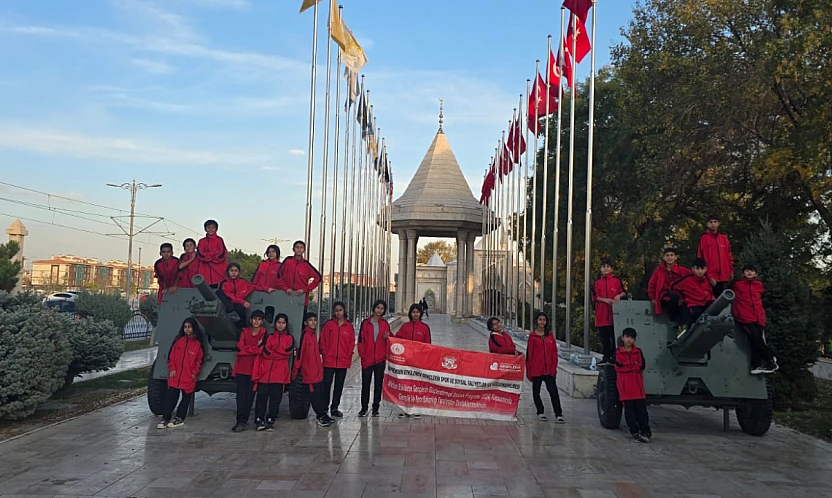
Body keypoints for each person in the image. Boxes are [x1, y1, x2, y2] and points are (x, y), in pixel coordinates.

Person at [731, 264, 778, 374]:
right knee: (756, 337)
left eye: (752, 271)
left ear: (755, 274)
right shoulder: (737, 285)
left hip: (758, 317)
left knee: (755, 341)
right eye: (747, 271)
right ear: (743, 273)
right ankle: (769, 356)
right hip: (745, 317)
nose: (749, 273)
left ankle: (756, 365)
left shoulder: (759, 285)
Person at [158, 317, 204, 429]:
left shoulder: (197, 344)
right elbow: (171, 357)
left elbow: (199, 360)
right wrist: (172, 369)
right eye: (185, 327)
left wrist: (194, 373)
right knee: (171, 398)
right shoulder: (178, 341)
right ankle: (166, 418)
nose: (187, 329)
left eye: (189, 327)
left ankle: (180, 418)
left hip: (188, 376)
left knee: (185, 399)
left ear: (193, 328)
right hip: (176, 375)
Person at [252, 313, 294, 431]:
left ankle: (271, 418)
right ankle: (259, 418)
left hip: (280, 373)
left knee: (276, 397)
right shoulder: (269, 337)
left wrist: (275, 350)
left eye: (283, 323)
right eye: (278, 322)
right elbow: (265, 352)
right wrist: (279, 352)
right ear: (275, 323)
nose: (280, 325)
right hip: (265, 372)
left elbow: (287, 352)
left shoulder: (289, 338)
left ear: (286, 324)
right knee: (261, 396)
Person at [292, 312, 334, 427]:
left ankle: (323, 414)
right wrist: (295, 372)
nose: (313, 322)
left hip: (317, 371)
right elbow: (299, 355)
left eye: (315, 320)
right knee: (314, 395)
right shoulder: (305, 335)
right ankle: (320, 416)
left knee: (320, 394)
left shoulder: (313, 335)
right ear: (305, 322)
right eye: (310, 320)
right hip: (309, 372)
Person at [231, 310, 267, 432]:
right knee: (240, 396)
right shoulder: (244, 332)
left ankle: (244, 419)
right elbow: (238, 348)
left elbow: (261, 350)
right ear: (251, 320)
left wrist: (246, 349)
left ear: (262, 321)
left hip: (254, 369)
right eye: (254, 319)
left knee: (250, 396)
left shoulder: (264, 333)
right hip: (241, 368)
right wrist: (254, 348)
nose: (256, 321)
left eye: (259, 319)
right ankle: (240, 421)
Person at [526, 312, 564, 423]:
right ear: (536, 321)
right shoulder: (532, 337)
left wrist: (553, 367)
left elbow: (554, 353)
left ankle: (558, 413)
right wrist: (529, 370)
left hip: (549, 369)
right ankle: (540, 411)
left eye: (544, 320)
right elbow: (530, 354)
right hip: (537, 369)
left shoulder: (550, 335)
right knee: (536, 391)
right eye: (540, 319)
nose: (542, 322)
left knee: (553, 391)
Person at [614, 328, 651, 443]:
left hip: (638, 386)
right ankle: (634, 432)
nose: (629, 340)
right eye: (627, 337)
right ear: (623, 338)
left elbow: (641, 366)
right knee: (629, 412)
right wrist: (632, 366)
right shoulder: (617, 353)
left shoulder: (638, 352)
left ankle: (645, 431)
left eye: (632, 338)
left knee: (642, 411)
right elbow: (619, 367)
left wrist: (629, 366)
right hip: (625, 387)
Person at [395, 303, 431, 419]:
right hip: (406, 361)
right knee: (405, 385)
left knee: (417, 385)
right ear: (410, 313)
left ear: (420, 313)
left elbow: (428, 345)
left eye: (417, 312)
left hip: (418, 362)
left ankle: (416, 408)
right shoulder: (405, 327)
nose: (415, 314)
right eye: (413, 312)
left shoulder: (424, 328)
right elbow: (397, 339)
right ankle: (405, 408)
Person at [319, 302, 354, 418]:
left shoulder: (349, 327)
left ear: (344, 311)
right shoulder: (329, 325)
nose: (338, 313)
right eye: (336, 310)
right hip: (329, 361)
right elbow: (323, 340)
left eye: (340, 310)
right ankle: (324, 407)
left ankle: (334, 408)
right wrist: (325, 353)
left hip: (342, 362)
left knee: (339, 385)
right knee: (326, 384)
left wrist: (348, 356)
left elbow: (351, 343)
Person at [358, 299, 391, 418]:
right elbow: (361, 341)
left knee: (378, 384)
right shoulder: (365, 323)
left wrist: (389, 336)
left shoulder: (385, 324)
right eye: (378, 308)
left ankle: (375, 407)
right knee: (365, 384)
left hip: (380, 360)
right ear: (374, 308)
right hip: (367, 359)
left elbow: (390, 340)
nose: (379, 310)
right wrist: (363, 355)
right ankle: (364, 407)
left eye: (382, 308)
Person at [592, 258, 626, 364]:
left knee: (615, 337)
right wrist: (604, 300)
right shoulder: (597, 282)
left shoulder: (616, 280)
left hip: (614, 315)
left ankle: (616, 357)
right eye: (603, 267)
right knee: (604, 339)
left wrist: (618, 296)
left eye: (608, 267)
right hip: (602, 315)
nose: (606, 269)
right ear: (600, 269)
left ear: (611, 269)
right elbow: (594, 296)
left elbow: (624, 292)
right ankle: (606, 357)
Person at [647, 247, 692, 327]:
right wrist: (653, 297)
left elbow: (693, 278)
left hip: (680, 296)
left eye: (672, 255)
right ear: (664, 258)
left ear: (675, 257)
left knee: (685, 305)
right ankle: (673, 319)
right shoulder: (659, 270)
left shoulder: (682, 270)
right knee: (672, 298)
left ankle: (688, 325)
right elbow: (651, 284)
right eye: (667, 255)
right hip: (665, 296)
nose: (669, 257)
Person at [217, 262, 268, 328]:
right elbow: (231, 296)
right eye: (231, 270)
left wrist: (267, 289)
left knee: (240, 308)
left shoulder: (243, 282)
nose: (233, 273)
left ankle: (242, 327)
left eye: (236, 271)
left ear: (239, 272)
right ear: (228, 272)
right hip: (228, 305)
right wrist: (243, 302)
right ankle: (232, 314)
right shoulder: (224, 283)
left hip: (238, 305)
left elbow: (254, 286)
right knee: (219, 292)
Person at [670, 258, 715, 330]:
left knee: (714, 308)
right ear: (693, 269)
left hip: (705, 303)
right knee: (695, 314)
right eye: (697, 268)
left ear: (705, 269)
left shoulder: (707, 281)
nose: (700, 271)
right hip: (693, 304)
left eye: (702, 268)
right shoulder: (687, 281)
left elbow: (711, 293)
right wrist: (680, 298)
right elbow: (674, 288)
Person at [276, 240, 322, 308]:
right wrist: (285, 288)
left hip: (301, 298)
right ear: (293, 249)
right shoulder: (288, 261)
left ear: (304, 250)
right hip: (286, 296)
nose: (299, 249)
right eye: (297, 247)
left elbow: (318, 278)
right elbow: (279, 276)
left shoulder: (306, 265)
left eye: (301, 247)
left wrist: (305, 289)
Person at [696, 215, 734, 297]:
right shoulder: (704, 239)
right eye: (711, 222)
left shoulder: (724, 238)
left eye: (715, 222)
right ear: (707, 224)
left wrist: (731, 271)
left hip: (724, 276)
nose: (713, 224)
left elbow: (729, 256)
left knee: (721, 301)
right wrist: (707, 275)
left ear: (718, 223)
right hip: (710, 276)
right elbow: (700, 258)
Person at [197, 219, 228, 287]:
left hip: (219, 272)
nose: (211, 229)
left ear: (216, 229)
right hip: (205, 272)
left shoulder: (219, 240)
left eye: (213, 227)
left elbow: (221, 255)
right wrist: (213, 254)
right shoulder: (202, 241)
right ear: (205, 229)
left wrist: (208, 255)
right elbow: (200, 255)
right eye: (209, 227)